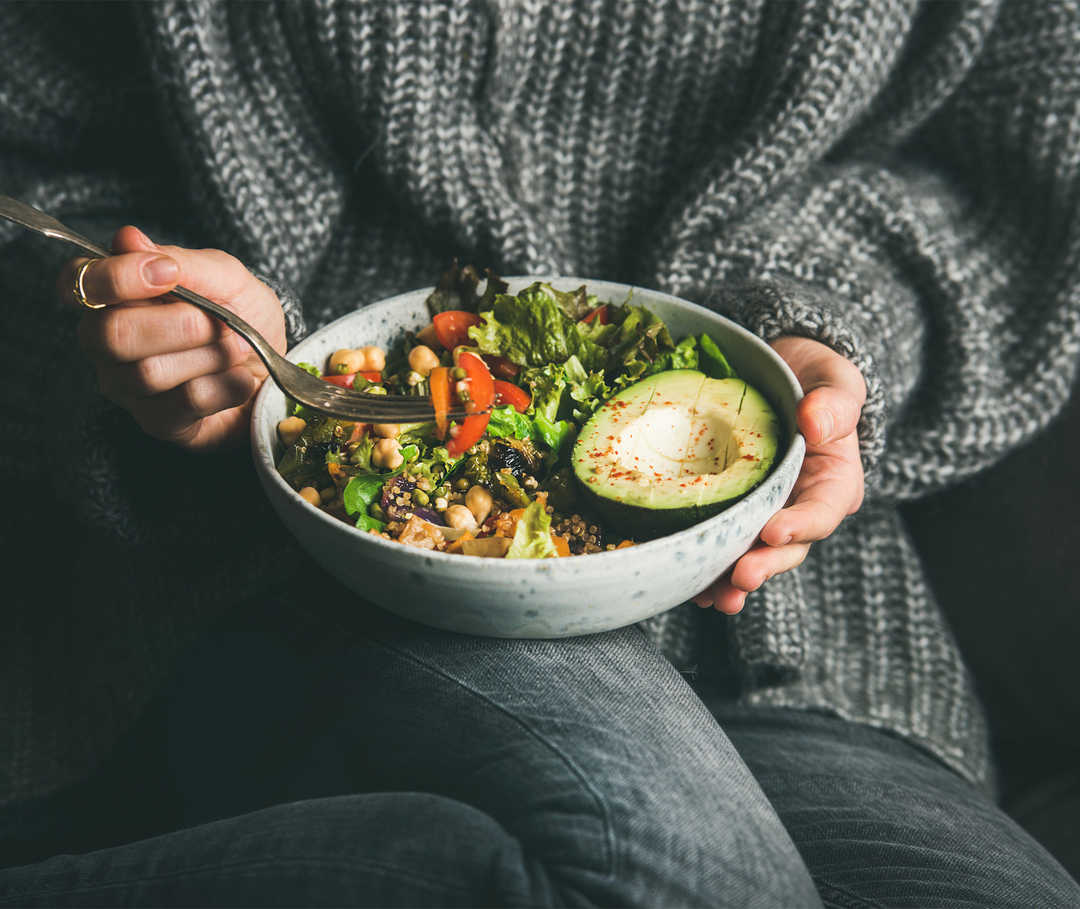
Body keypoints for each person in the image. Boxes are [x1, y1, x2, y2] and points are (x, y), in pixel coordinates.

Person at [2, 0, 1078, 905]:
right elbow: (37, 171)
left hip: (804, 633)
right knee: (674, 876)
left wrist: (821, 337)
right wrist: (146, 337)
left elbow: (1011, 174)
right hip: (309, 570)